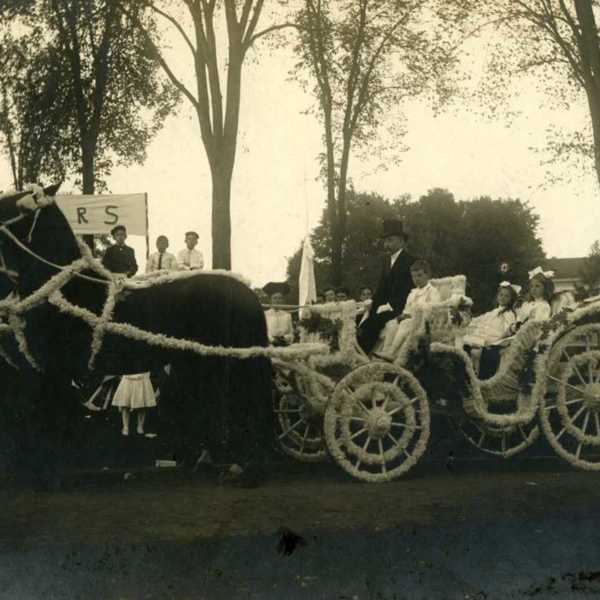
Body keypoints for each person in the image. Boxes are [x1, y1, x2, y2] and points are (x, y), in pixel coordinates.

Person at [357, 219, 415, 354]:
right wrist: (373, 303)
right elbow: (381, 287)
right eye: (385, 241)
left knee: (372, 324)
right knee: (362, 323)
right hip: (384, 307)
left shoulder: (411, 261)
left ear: (401, 241)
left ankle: (366, 359)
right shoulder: (386, 261)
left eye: (390, 240)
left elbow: (409, 290)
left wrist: (389, 306)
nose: (386, 244)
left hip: (400, 308)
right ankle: (360, 356)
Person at [381, 259, 441, 355]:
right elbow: (406, 309)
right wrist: (402, 316)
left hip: (422, 322)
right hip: (408, 320)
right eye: (413, 276)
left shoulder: (432, 291)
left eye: (419, 275)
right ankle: (385, 351)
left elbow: (434, 308)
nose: (416, 279)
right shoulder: (412, 293)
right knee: (391, 324)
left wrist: (413, 313)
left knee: (405, 324)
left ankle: (392, 353)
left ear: (427, 275)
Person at [463, 281, 519, 374]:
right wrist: (471, 320)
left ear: (511, 299)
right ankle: (471, 370)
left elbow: (508, 330)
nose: (503, 298)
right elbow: (481, 319)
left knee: (477, 348)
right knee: (466, 339)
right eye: (501, 295)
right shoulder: (494, 311)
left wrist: (500, 339)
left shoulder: (509, 313)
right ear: (497, 296)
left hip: (494, 337)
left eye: (506, 296)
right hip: (485, 333)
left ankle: (476, 371)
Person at [509, 267, 553, 334]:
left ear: (545, 288)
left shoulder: (544, 306)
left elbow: (537, 327)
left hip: (529, 336)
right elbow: (518, 320)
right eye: (531, 286)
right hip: (518, 333)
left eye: (537, 286)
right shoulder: (527, 304)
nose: (533, 289)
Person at [263, 282, 294, 346]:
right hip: (270, 345)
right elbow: (263, 332)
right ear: (270, 300)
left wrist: (285, 338)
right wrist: (272, 340)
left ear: (282, 300)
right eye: (275, 298)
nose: (277, 300)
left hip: (284, 345)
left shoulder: (287, 315)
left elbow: (291, 333)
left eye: (280, 298)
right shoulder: (265, 314)